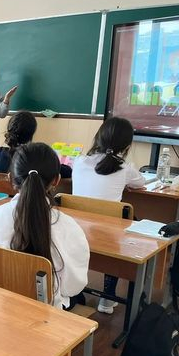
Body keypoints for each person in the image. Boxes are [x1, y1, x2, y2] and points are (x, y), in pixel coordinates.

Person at [0, 142, 89, 309]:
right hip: (46, 313)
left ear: (11, 178)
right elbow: (73, 287)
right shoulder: (68, 227)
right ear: (56, 180)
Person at [72, 117, 145, 314]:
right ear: (127, 145)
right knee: (126, 225)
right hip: (108, 238)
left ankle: (73, 290)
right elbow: (140, 182)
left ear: (98, 137)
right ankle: (107, 297)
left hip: (76, 232)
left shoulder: (79, 161)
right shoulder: (124, 168)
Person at [0, 111, 73, 178]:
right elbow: (67, 172)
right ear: (32, 133)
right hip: (29, 194)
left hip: (2, 194)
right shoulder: (37, 156)